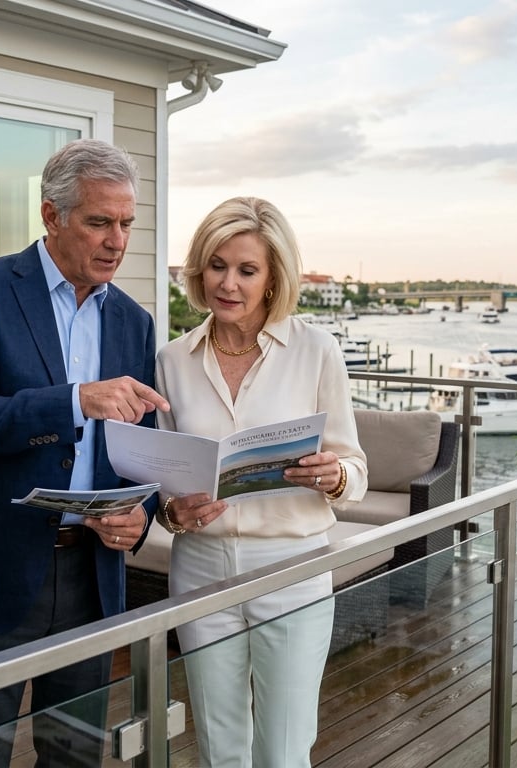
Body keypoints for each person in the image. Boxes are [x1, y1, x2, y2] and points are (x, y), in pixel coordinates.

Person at [0, 138, 169, 767]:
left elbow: (140, 451)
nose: (117, 241)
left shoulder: (134, 321)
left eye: (127, 223)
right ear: (52, 217)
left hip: (91, 578)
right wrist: (74, 400)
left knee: (74, 758)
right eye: (99, 222)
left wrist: (141, 516)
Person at [155, 196, 368, 767]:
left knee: (284, 745)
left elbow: (356, 472)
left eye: (247, 270)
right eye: (217, 265)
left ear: (273, 277)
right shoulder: (172, 359)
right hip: (200, 566)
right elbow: (164, 485)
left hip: (291, 568)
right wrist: (176, 512)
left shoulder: (317, 351)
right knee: (218, 743)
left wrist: (334, 474)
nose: (228, 283)